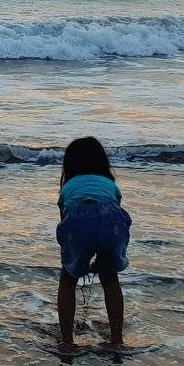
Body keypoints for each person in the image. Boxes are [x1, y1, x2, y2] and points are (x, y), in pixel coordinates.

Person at [55, 136, 131, 348]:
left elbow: (66, 226)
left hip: (78, 223)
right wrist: (102, 259)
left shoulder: (68, 188)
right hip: (112, 222)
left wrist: (76, 260)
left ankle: (67, 342)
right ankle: (116, 339)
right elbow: (114, 218)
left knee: (68, 278)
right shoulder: (110, 185)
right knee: (110, 276)